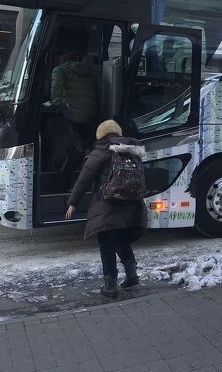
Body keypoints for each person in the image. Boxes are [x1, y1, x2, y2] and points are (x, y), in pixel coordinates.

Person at [65, 120, 148, 298]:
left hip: (108, 204)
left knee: (107, 244)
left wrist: (73, 203)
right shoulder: (132, 149)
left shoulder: (100, 151)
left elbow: (84, 179)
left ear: (100, 135)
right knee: (121, 239)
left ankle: (110, 286)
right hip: (132, 203)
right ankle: (132, 275)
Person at [50, 50, 99, 148]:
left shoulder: (60, 70)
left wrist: (56, 106)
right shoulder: (89, 70)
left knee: (73, 147)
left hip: (72, 116)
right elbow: (96, 92)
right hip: (90, 114)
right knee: (87, 144)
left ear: (63, 58)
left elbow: (56, 92)